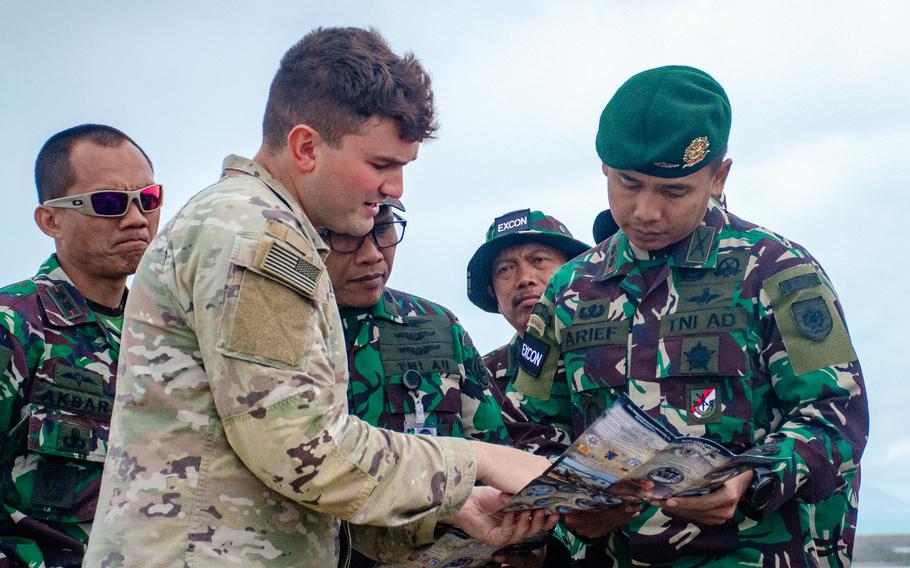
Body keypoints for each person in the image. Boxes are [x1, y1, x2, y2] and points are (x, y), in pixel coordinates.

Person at [84, 27, 553, 568]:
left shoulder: (257, 226)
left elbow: (274, 474)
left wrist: (453, 507)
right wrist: (479, 461)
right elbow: (301, 448)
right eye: (381, 165)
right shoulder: (257, 237)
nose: (395, 188)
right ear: (306, 146)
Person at [509, 65, 868, 566]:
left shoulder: (778, 272)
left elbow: (835, 417)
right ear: (604, 170)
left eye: (673, 191)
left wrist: (751, 480)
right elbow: (530, 424)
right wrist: (570, 510)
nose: (645, 212)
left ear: (718, 177)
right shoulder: (569, 289)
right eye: (627, 184)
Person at [0, 124, 161, 567]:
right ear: (51, 220)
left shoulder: (165, 336)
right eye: (108, 203)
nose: (136, 219)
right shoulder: (14, 325)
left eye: (148, 198)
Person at [324, 198, 515, 566]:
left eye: (383, 230)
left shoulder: (438, 326)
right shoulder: (286, 331)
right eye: (345, 238)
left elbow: (493, 454)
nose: (372, 255)